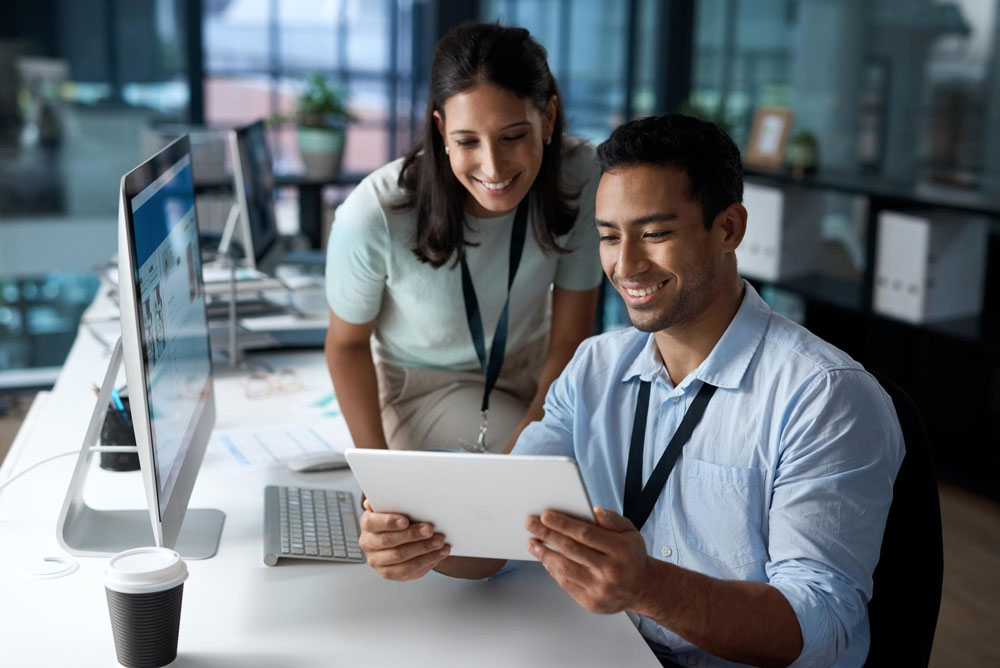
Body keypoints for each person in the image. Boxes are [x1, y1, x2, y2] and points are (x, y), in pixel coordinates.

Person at [357, 114, 904, 668]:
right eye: (609, 236)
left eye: (655, 234)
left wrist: (648, 587)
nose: (626, 265)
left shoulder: (826, 397)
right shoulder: (594, 367)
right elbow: (507, 528)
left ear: (729, 229)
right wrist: (424, 543)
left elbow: (822, 629)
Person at [324, 22, 601, 455]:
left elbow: (571, 337)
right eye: (467, 141)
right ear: (441, 130)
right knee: (566, 470)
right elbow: (346, 345)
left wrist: (532, 437)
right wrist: (376, 473)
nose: (493, 168)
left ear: (547, 117)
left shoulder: (581, 174)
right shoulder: (373, 214)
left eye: (513, 136)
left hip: (536, 372)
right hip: (426, 387)